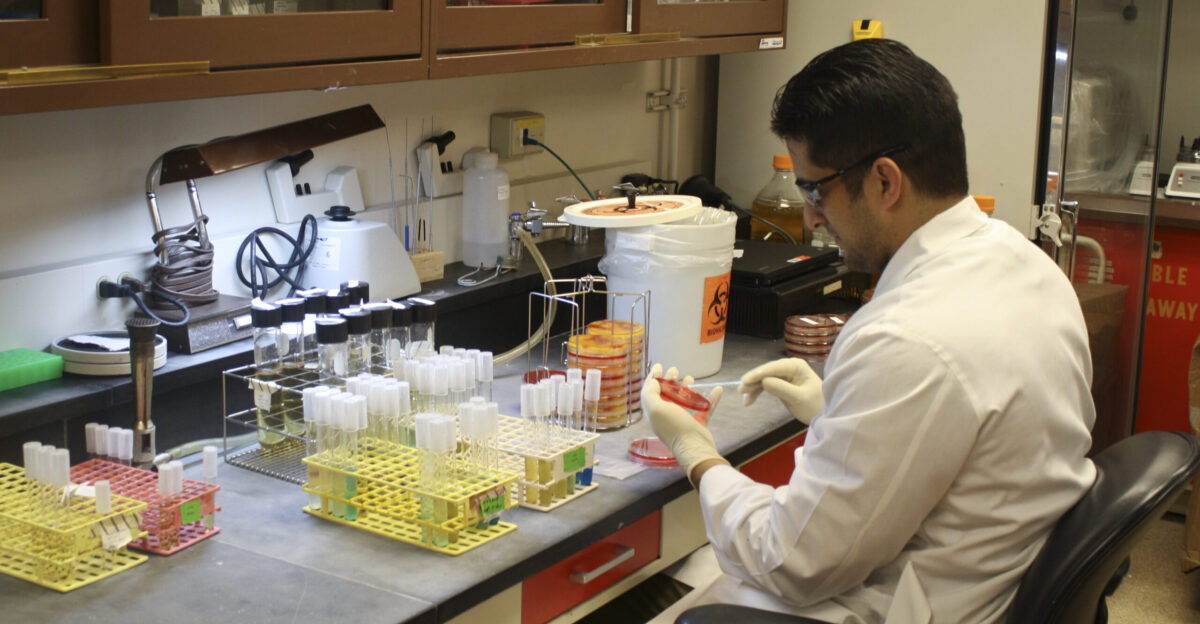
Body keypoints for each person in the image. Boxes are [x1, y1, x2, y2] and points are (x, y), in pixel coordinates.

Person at [643, 38, 1097, 623]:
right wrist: (836, 406)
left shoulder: (905, 338)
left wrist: (697, 454)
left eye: (814, 189)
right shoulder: (1025, 261)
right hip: (991, 576)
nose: (809, 215)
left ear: (885, 182)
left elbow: (792, 562)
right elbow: (960, 424)